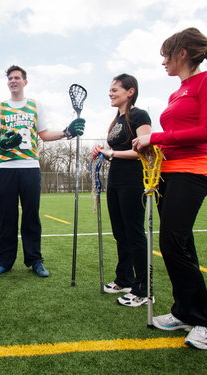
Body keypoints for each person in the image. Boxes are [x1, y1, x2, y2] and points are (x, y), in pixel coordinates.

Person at [133, 27, 207, 350]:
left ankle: (203, 317)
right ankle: (183, 310)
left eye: (167, 54)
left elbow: (204, 131)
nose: (163, 61)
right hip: (169, 171)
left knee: (174, 240)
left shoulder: (204, 84)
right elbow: (175, 134)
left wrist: (156, 138)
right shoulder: (175, 93)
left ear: (183, 53)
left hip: (195, 170)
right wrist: (151, 149)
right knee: (176, 242)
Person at [0, 65, 85, 277]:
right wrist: (1, 141)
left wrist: (67, 132)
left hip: (30, 167)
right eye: (10, 78)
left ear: (25, 82)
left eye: (17, 78)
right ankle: (4, 261)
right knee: (7, 216)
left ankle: (35, 260)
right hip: (6, 168)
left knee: (31, 216)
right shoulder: (1, 107)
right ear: (8, 82)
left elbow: (45, 134)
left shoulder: (34, 105)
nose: (13, 81)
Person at [92, 74, 152, 307]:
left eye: (115, 89)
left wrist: (112, 153)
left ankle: (143, 289)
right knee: (121, 233)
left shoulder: (140, 115)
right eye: (110, 89)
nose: (110, 92)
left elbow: (143, 149)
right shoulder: (116, 119)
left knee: (135, 234)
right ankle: (124, 279)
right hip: (115, 181)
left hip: (133, 180)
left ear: (130, 91)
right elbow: (114, 149)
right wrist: (102, 151)